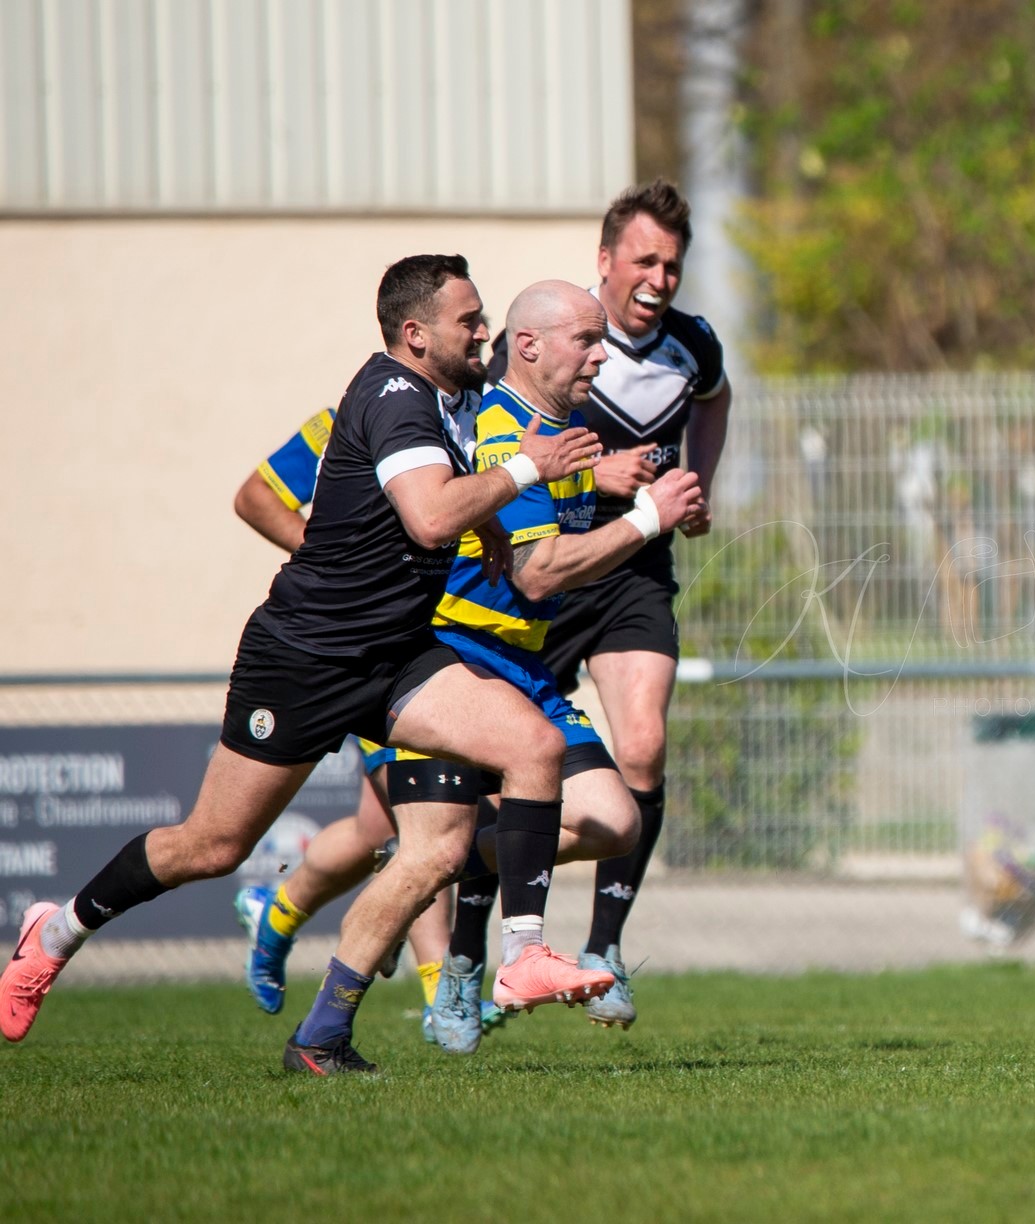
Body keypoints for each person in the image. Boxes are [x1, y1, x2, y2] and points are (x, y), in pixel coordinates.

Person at [1, 255, 609, 1075]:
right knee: (210, 847)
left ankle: (499, 963)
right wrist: (530, 467)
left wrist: (492, 518)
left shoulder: (452, 396)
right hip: (306, 657)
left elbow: (451, 501)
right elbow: (430, 518)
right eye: (469, 320)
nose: (484, 331)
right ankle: (59, 928)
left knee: (526, 754)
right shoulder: (395, 400)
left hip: (396, 654)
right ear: (414, 334)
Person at [406, 279, 704, 1052]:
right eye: (588, 341)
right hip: (464, 663)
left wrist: (605, 479)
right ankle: (456, 976)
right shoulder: (505, 430)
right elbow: (538, 572)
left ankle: (455, 853)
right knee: (218, 842)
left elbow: (552, 525)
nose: (603, 356)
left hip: (524, 664)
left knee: (614, 820)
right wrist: (646, 520)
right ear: (529, 345)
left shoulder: (557, 427)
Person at [482, 179, 731, 1031]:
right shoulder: (559, 338)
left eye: (672, 262)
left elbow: (715, 398)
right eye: (643, 260)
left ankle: (603, 950)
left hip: (634, 570)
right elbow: (501, 441)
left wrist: (699, 489)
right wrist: (597, 475)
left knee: (647, 745)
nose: (660, 277)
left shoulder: (694, 345)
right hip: (549, 569)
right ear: (604, 262)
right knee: (507, 770)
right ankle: (478, 956)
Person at [231, 415, 495, 1040]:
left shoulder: (484, 426)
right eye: (470, 326)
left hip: (450, 648)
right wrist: (332, 568)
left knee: (375, 831)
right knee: (428, 818)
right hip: (383, 650)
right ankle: (440, 998)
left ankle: (276, 911)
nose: (483, 344)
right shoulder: (349, 426)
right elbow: (255, 498)